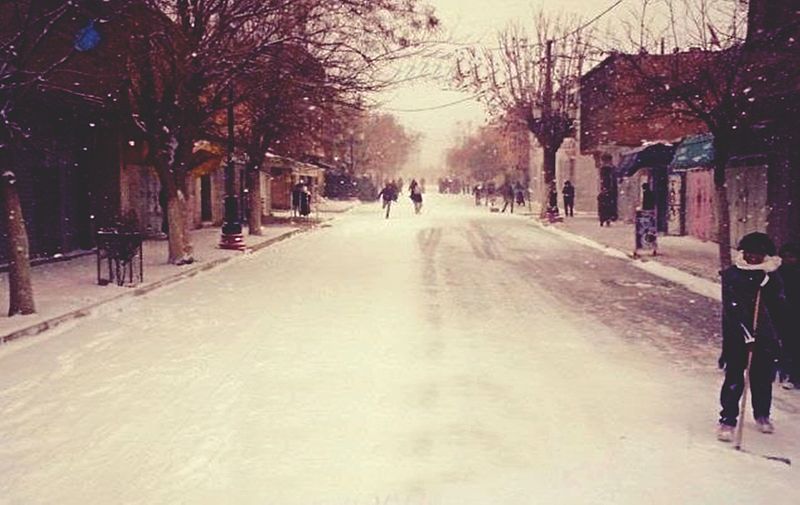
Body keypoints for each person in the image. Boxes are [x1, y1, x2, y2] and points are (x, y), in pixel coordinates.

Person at [717, 232, 786, 442]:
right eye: (749, 253)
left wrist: (769, 287)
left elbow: (778, 305)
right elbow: (732, 306)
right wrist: (747, 333)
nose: (752, 258)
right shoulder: (732, 274)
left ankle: (762, 414)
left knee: (762, 378)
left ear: (765, 255)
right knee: (734, 377)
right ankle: (728, 419)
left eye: (757, 254)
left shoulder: (771, 275)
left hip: (765, 336)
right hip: (737, 334)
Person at [777, 242, 800, 389]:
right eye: (785, 257)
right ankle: (787, 373)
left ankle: (794, 375)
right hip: (785, 314)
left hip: (795, 313)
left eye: (791, 257)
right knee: (787, 345)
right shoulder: (778, 273)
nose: (788, 259)